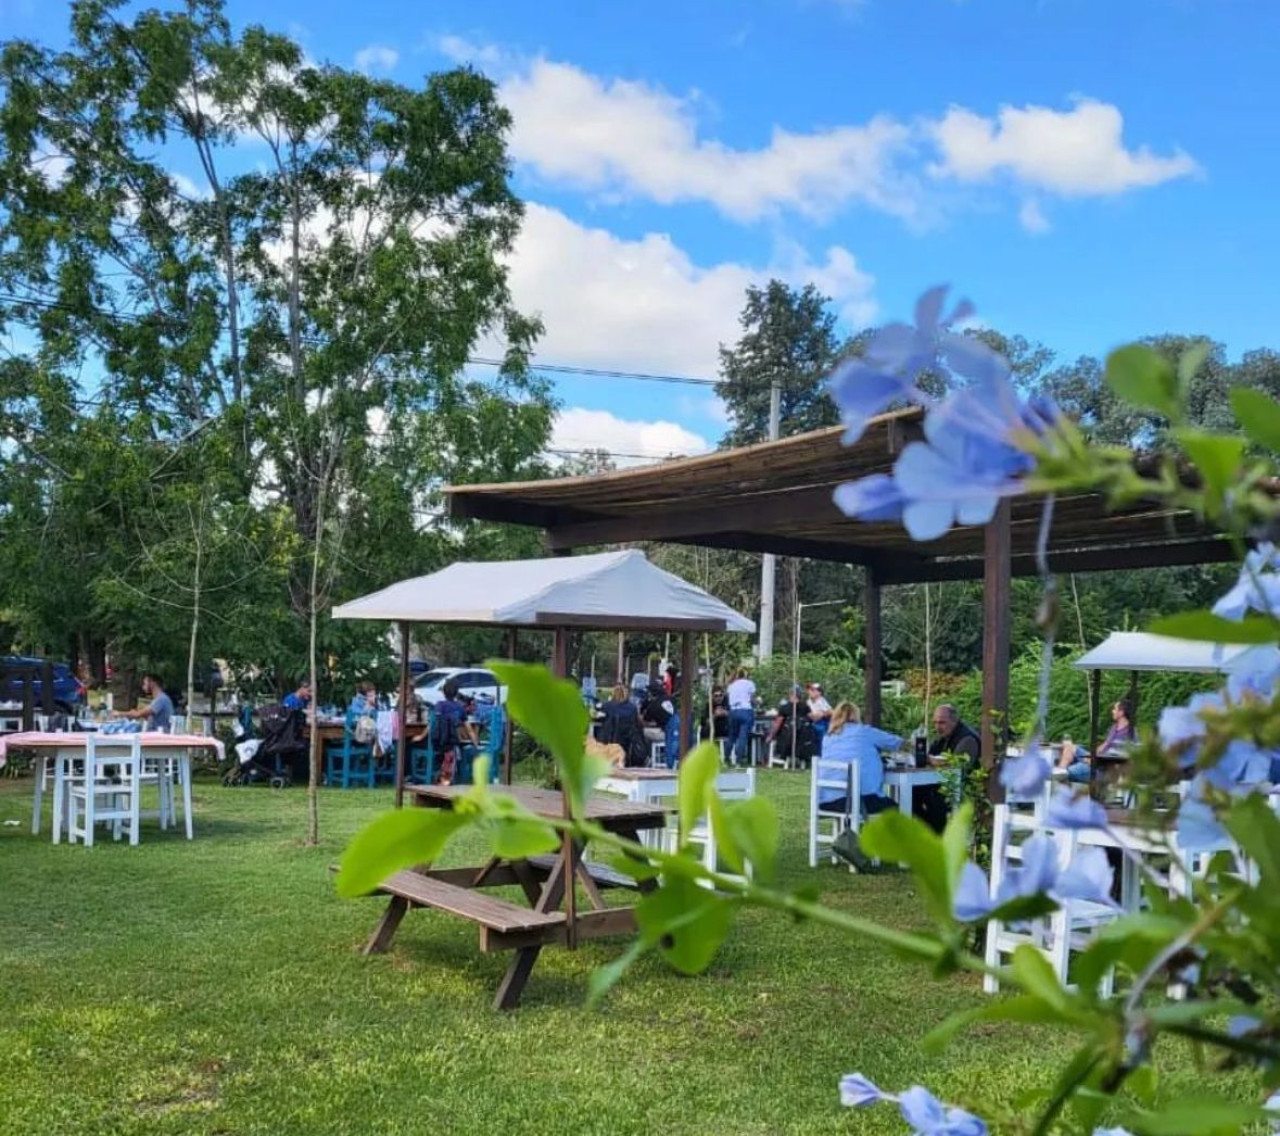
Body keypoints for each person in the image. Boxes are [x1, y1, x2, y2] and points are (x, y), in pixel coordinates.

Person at [916, 703, 982, 833]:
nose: (937, 727)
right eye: (935, 723)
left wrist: (932, 760)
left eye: (942, 723)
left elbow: (958, 764)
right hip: (945, 785)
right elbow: (930, 755)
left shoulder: (967, 738)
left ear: (954, 721)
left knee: (931, 797)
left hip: (963, 789)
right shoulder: (944, 737)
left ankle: (935, 836)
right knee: (915, 792)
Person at [1060, 699, 1137, 784]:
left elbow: (1116, 760)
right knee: (1070, 747)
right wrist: (1091, 755)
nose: (1112, 711)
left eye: (1115, 709)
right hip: (1097, 762)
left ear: (1121, 712)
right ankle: (1060, 772)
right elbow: (1105, 745)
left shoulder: (1129, 734)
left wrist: (1093, 760)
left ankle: (1061, 775)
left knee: (1066, 773)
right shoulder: (1115, 727)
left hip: (1102, 770)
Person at [769, 686, 818, 768]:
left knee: (774, 735)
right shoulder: (805, 707)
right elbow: (813, 718)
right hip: (802, 739)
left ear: (790, 694)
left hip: (787, 739)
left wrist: (771, 735)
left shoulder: (784, 707)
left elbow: (778, 723)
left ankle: (778, 756)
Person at [600, 683, 648, 767]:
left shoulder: (607, 706)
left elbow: (601, 717)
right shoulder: (632, 708)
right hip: (628, 741)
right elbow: (637, 723)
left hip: (610, 740)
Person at [641, 681, 679, 768]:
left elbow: (644, 722)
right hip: (678, 731)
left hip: (666, 733)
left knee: (642, 732)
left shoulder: (653, 705)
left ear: (651, 693)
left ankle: (648, 756)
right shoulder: (671, 698)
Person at [725, 667, 756, 767]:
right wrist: (757, 702)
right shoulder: (749, 683)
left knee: (732, 736)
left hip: (733, 711)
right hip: (745, 710)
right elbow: (751, 699)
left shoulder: (731, 685)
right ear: (746, 675)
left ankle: (726, 757)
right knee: (742, 736)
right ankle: (738, 760)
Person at [807, 681, 833, 752]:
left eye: (812, 690)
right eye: (809, 690)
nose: (810, 692)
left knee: (821, 731)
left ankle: (822, 754)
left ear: (819, 693)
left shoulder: (822, 701)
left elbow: (831, 712)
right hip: (811, 722)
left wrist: (822, 714)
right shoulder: (808, 702)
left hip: (821, 723)